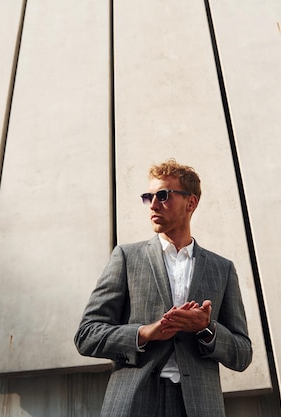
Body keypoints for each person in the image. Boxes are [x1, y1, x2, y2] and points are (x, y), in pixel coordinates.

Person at [74, 159, 252, 417]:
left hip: (198, 406)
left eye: (163, 195)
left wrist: (207, 329)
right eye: (148, 197)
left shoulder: (221, 269)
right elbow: (87, 336)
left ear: (191, 203)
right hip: (134, 402)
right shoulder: (127, 257)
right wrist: (145, 333)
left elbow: (242, 354)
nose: (153, 205)